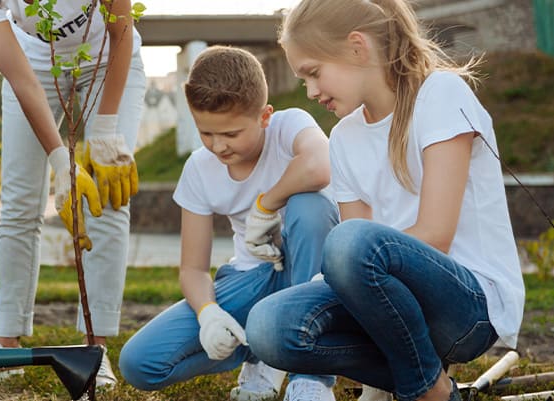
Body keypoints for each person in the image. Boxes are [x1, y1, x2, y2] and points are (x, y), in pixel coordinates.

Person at [245, 1, 526, 401]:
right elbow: (355, 262)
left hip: (469, 307)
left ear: (357, 47)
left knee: (347, 244)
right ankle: (434, 387)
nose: (310, 91)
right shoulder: (343, 137)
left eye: (314, 73)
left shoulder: (441, 94)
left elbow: (436, 235)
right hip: (390, 305)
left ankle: (420, 389)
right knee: (269, 326)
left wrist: (345, 264)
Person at [117, 46, 339, 401]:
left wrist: (266, 206)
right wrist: (208, 315)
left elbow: (320, 165)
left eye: (232, 134)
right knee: (139, 363)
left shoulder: (289, 126)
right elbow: (192, 269)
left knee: (309, 205)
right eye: (206, 133)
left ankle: (309, 378)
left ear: (264, 116)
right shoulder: (199, 169)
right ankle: (261, 350)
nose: (218, 146)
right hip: (252, 279)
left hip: (309, 274)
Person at [0, 0, 147, 388]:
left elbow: (121, 32)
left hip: (106, 58)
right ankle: (7, 346)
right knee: (19, 202)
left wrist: (107, 129)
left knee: (109, 199)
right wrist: (61, 162)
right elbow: (22, 78)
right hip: (32, 62)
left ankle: (95, 348)